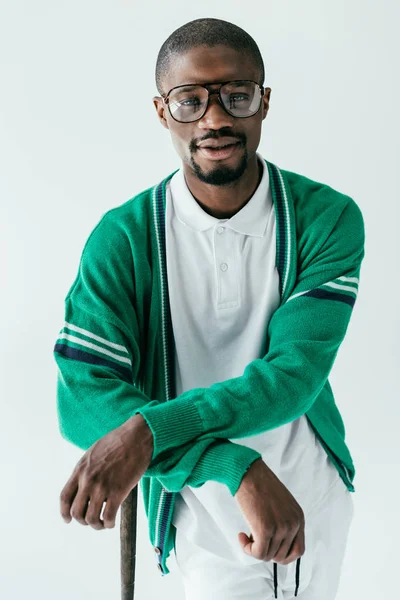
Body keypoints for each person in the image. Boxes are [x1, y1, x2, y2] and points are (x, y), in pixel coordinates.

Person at [54, 17, 365, 600]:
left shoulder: (326, 219)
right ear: (161, 111)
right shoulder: (123, 238)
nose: (215, 118)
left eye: (236, 96)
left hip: (306, 503)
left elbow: (290, 380)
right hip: (189, 505)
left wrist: (146, 431)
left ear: (264, 102)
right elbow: (82, 397)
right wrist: (232, 466)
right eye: (189, 100)